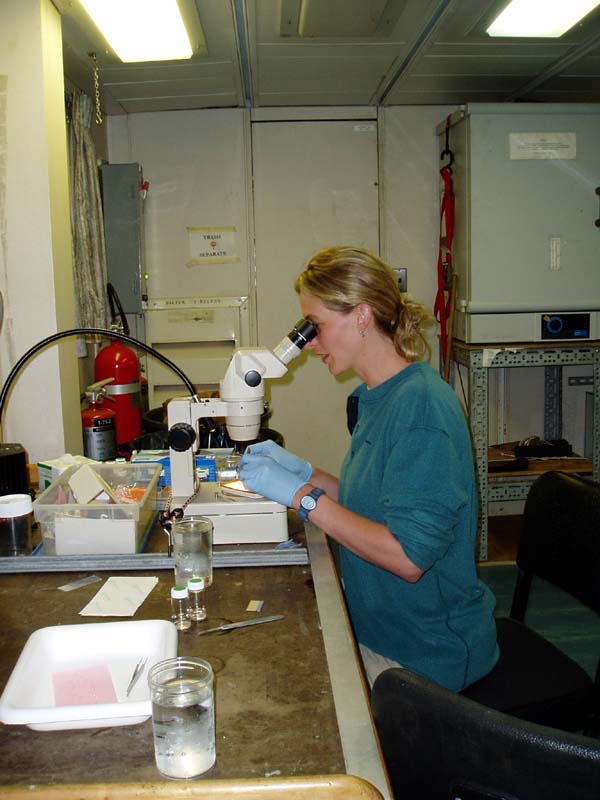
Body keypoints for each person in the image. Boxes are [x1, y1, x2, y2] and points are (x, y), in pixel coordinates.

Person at [239, 246, 499, 691]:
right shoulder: (377, 397)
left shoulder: (421, 409)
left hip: (424, 656)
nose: (311, 345)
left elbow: (407, 557)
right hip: (380, 628)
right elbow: (375, 501)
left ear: (361, 316)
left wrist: (303, 498)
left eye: (315, 327)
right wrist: (305, 473)